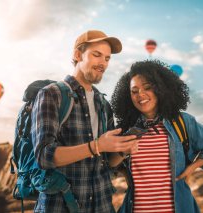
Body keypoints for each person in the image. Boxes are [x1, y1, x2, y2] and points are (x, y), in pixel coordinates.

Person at [31, 30, 138, 213]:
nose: (103, 63)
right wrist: (96, 146)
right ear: (77, 55)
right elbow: (44, 156)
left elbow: (108, 162)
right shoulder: (51, 94)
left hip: (103, 205)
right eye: (97, 55)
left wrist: (122, 150)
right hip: (60, 206)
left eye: (107, 58)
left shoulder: (103, 104)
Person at [110, 60, 203, 213]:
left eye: (147, 88)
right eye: (134, 91)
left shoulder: (182, 122)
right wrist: (125, 168)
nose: (141, 94)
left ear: (160, 89)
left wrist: (193, 167)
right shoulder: (125, 129)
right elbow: (110, 164)